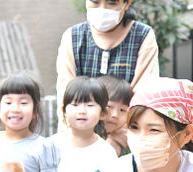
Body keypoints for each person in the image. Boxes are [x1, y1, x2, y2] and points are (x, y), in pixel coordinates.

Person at [56, 0, 159, 131]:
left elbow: (144, 95)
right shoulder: (72, 36)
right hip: (81, 133)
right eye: (95, 2)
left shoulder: (143, 36)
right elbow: (65, 94)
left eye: (111, 3)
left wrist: (118, 139)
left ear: (127, 4)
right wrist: (72, 137)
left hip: (127, 134)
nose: (102, 9)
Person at [98, 74, 133, 156]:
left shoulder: (128, 140)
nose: (115, 115)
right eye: (109, 107)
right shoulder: (84, 134)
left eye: (122, 110)